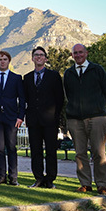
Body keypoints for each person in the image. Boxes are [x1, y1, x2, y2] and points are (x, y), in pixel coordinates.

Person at [63, 44, 106, 195]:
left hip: (96, 117)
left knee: (98, 152)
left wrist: (97, 107)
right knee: (80, 152)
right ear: (72, 56)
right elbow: (67, 95)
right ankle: (85, 183)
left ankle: (102, 184)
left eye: (80, 52)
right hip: (75, 119)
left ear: (86, 53)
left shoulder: (97, 70)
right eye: (75, 53)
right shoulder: (69, 73)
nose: (78, 55)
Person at [23, 46, 64, 189]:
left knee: (51, 151)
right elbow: (26, 99)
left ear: (45, 59)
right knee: (36, 151)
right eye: (36, 55)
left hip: (50, 120)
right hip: (34, 120)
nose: (39, 57)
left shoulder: (54, 76)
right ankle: (38, 178)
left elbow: (60, 99)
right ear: (32, 58)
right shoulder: (27, 78)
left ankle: (50, 179)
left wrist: (55, 116)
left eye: (41, 55)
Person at [0, 51, 25, 186]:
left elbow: (22, 98)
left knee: (11, 147)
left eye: (4, 59)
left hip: (11, 118)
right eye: (0, 59)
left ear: (9, 61)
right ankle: (1, 176)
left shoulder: (16, 78)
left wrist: (20, 117)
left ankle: (13, 177)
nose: (2, 61)